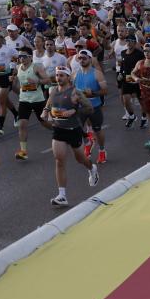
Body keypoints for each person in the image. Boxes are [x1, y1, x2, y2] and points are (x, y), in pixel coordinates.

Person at [39, 66, 98, 206]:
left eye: (62, 75)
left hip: (74, 130)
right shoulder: (53, 90)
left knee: (80, 159)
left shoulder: (75, 93)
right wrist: (46, 111)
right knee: (59, 160)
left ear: (68, 78)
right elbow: (50, 101)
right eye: (57, 75)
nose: (58, 78)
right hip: (59, 129)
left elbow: (89, 108)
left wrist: (74, 110)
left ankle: (92, 168)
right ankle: (62, 195)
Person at [71, 48, 109, 165]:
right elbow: (71, 90)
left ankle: (102, 150)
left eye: (84, 58)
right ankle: (87, 142)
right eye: (80, 58)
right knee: (77, 129)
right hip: (80, 107)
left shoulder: (97, 73)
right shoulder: (75, 74)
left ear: (90, 59)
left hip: (94, 107)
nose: (81, 60)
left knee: (97, 130)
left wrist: (93, 93)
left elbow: (105, 91)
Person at [11, 50, 50, 162]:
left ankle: (59, 132)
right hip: (24, 100)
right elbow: (15, 88)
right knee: (22, 124)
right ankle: (23, 151)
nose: (21, 58)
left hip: (38, 100)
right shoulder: (18, 68)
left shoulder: (36, 67)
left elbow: (47, 80)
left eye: (23, 56)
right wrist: (12, 82)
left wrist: (37, 81)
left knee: (44, 123)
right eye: (19, 56)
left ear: (30, 57)